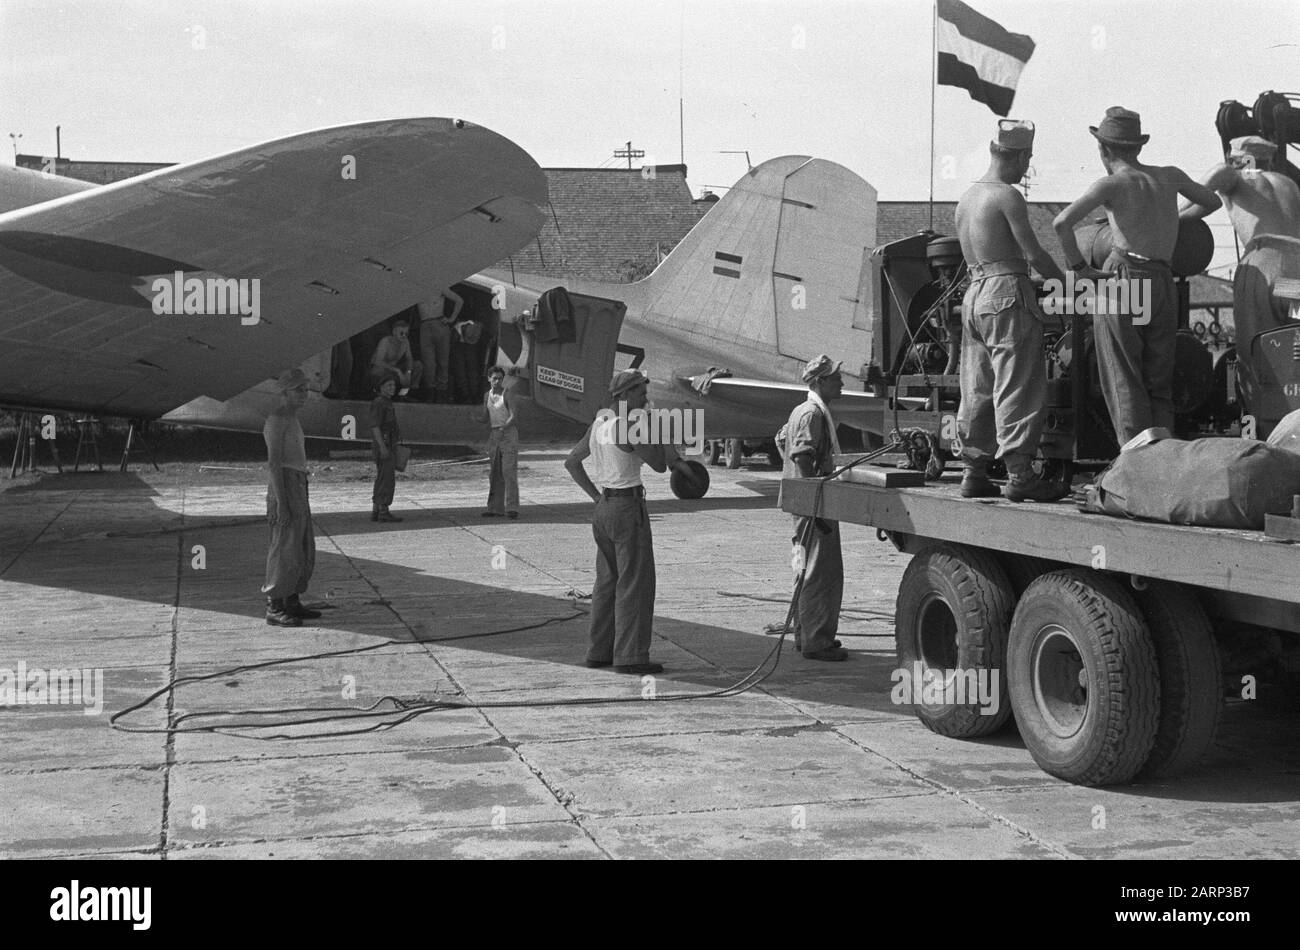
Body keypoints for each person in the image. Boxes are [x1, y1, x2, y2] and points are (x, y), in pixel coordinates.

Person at [1054, 106, 1221, 445]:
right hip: (1163, 280)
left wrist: (1080, 269)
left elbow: (1061, 223)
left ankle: (1134, 464)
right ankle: (1163, 456)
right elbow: (1212, 201)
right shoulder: (1168, 175)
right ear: (1139, 146)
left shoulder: (1111, 184)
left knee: (1123, 376)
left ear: (1103, 149)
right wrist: (1174, 219)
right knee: (1159, 380)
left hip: (1125, 279)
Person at [956, 119, 1069, 502]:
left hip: (974, 295)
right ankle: (1020, 475)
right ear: (1020, 156)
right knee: (1016, 382)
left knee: (977, 386)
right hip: (1006, 292)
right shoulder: (1007, 196)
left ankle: (973, 471)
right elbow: (1034, 254)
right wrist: (1070, 283)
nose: (1027, 169)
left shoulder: (966, 199)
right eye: (1028, 159)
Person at [566, 369, 692, 675]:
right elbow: (661, 465)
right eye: (641, 394)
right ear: (624, 395)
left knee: (607, 584)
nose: (645, 400)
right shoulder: (627, 426)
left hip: (605, 509)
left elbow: (572, 462)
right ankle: (631, 656)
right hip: (627, 507)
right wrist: (659, 430)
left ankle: (599, 651)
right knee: (635, 584)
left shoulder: (600, 422)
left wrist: (597, 498)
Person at [1180, 135, 1300, 416]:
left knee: (1256, 353)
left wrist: (1171, 219)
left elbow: (1207, 186)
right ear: (1269, 158)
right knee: (1294, 347)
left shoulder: (1236, 175)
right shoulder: (1289, 184)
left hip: (1263, 264)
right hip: (1295, 273)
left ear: (1237, 158)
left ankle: (1260, 432)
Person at [778, 354, 849, 661]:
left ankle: (804, 635)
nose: (841, 382)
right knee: (820, 573)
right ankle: (816, 641)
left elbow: (781, 439)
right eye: (835, 378)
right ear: (820, 382)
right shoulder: (813, 414)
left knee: (803, 569)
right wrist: (815, 501)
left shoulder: (803, 410)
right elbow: (801, 455)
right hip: (811, 508)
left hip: (802, 507)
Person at [262, 368, 321, 626]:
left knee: (301, 546)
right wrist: (282, 504)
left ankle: (292, 600)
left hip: (298, 482)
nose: (304, 395)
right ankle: (274, 605)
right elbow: (274, 464)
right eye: (299, 390)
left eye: (306, 389)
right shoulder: (277, 419)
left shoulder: (292, 418)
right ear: (284, 392)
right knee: (284, 546)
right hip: (284, 484)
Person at [479, 365, 520, 519]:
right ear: (489, 378)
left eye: (500, 379)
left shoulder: (507, 394)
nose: (497, 381)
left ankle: (512, 508)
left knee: (508, 471)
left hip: (508, 433)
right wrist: (474, 418)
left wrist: (505, 427)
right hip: (495, 433)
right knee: (494, 473)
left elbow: (514, 415)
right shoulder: (486, 395)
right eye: (494, 378)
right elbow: (485, 416)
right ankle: (495, 508)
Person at [417, 288, 464, 402]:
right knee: (428, 362)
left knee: (443, 361)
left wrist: (451, 319)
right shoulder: (415, 287)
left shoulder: (439, 286)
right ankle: (430, 391)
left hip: (439, 323)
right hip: (424, 325)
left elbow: (459, 300)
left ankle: (441, 393)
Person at [368, 371, 403, 523]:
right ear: (381, 387)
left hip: (388, 444)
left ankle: (376, 510)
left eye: (393, 385)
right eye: (388, 385)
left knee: (382, 477)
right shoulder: (380, 403)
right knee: (386, 479)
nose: (392, 388)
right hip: (384, 444)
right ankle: (383, 510)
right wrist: (382, 447)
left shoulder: (387, 402)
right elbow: (375, 426)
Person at [369, 315, 423, 394]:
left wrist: (408, 372)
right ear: (394, 332)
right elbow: (378, 361)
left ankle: (405, 394)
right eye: (401, 333)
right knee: (381, 373)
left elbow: (409, 358)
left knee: (418, 365)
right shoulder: (385, 341)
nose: (404, 336)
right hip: (380, 371)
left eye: (406, 333)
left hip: (393, 370)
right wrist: (397, 371)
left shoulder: (405, 341)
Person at [449, 317, 485, 404]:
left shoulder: (476, 327)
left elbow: (453, 341)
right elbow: (453, 341)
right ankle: (468, 396)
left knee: (468, 372)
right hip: (462, 347)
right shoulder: (460, 327)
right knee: (464, 372)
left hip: (465, 348)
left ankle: (471, 395)